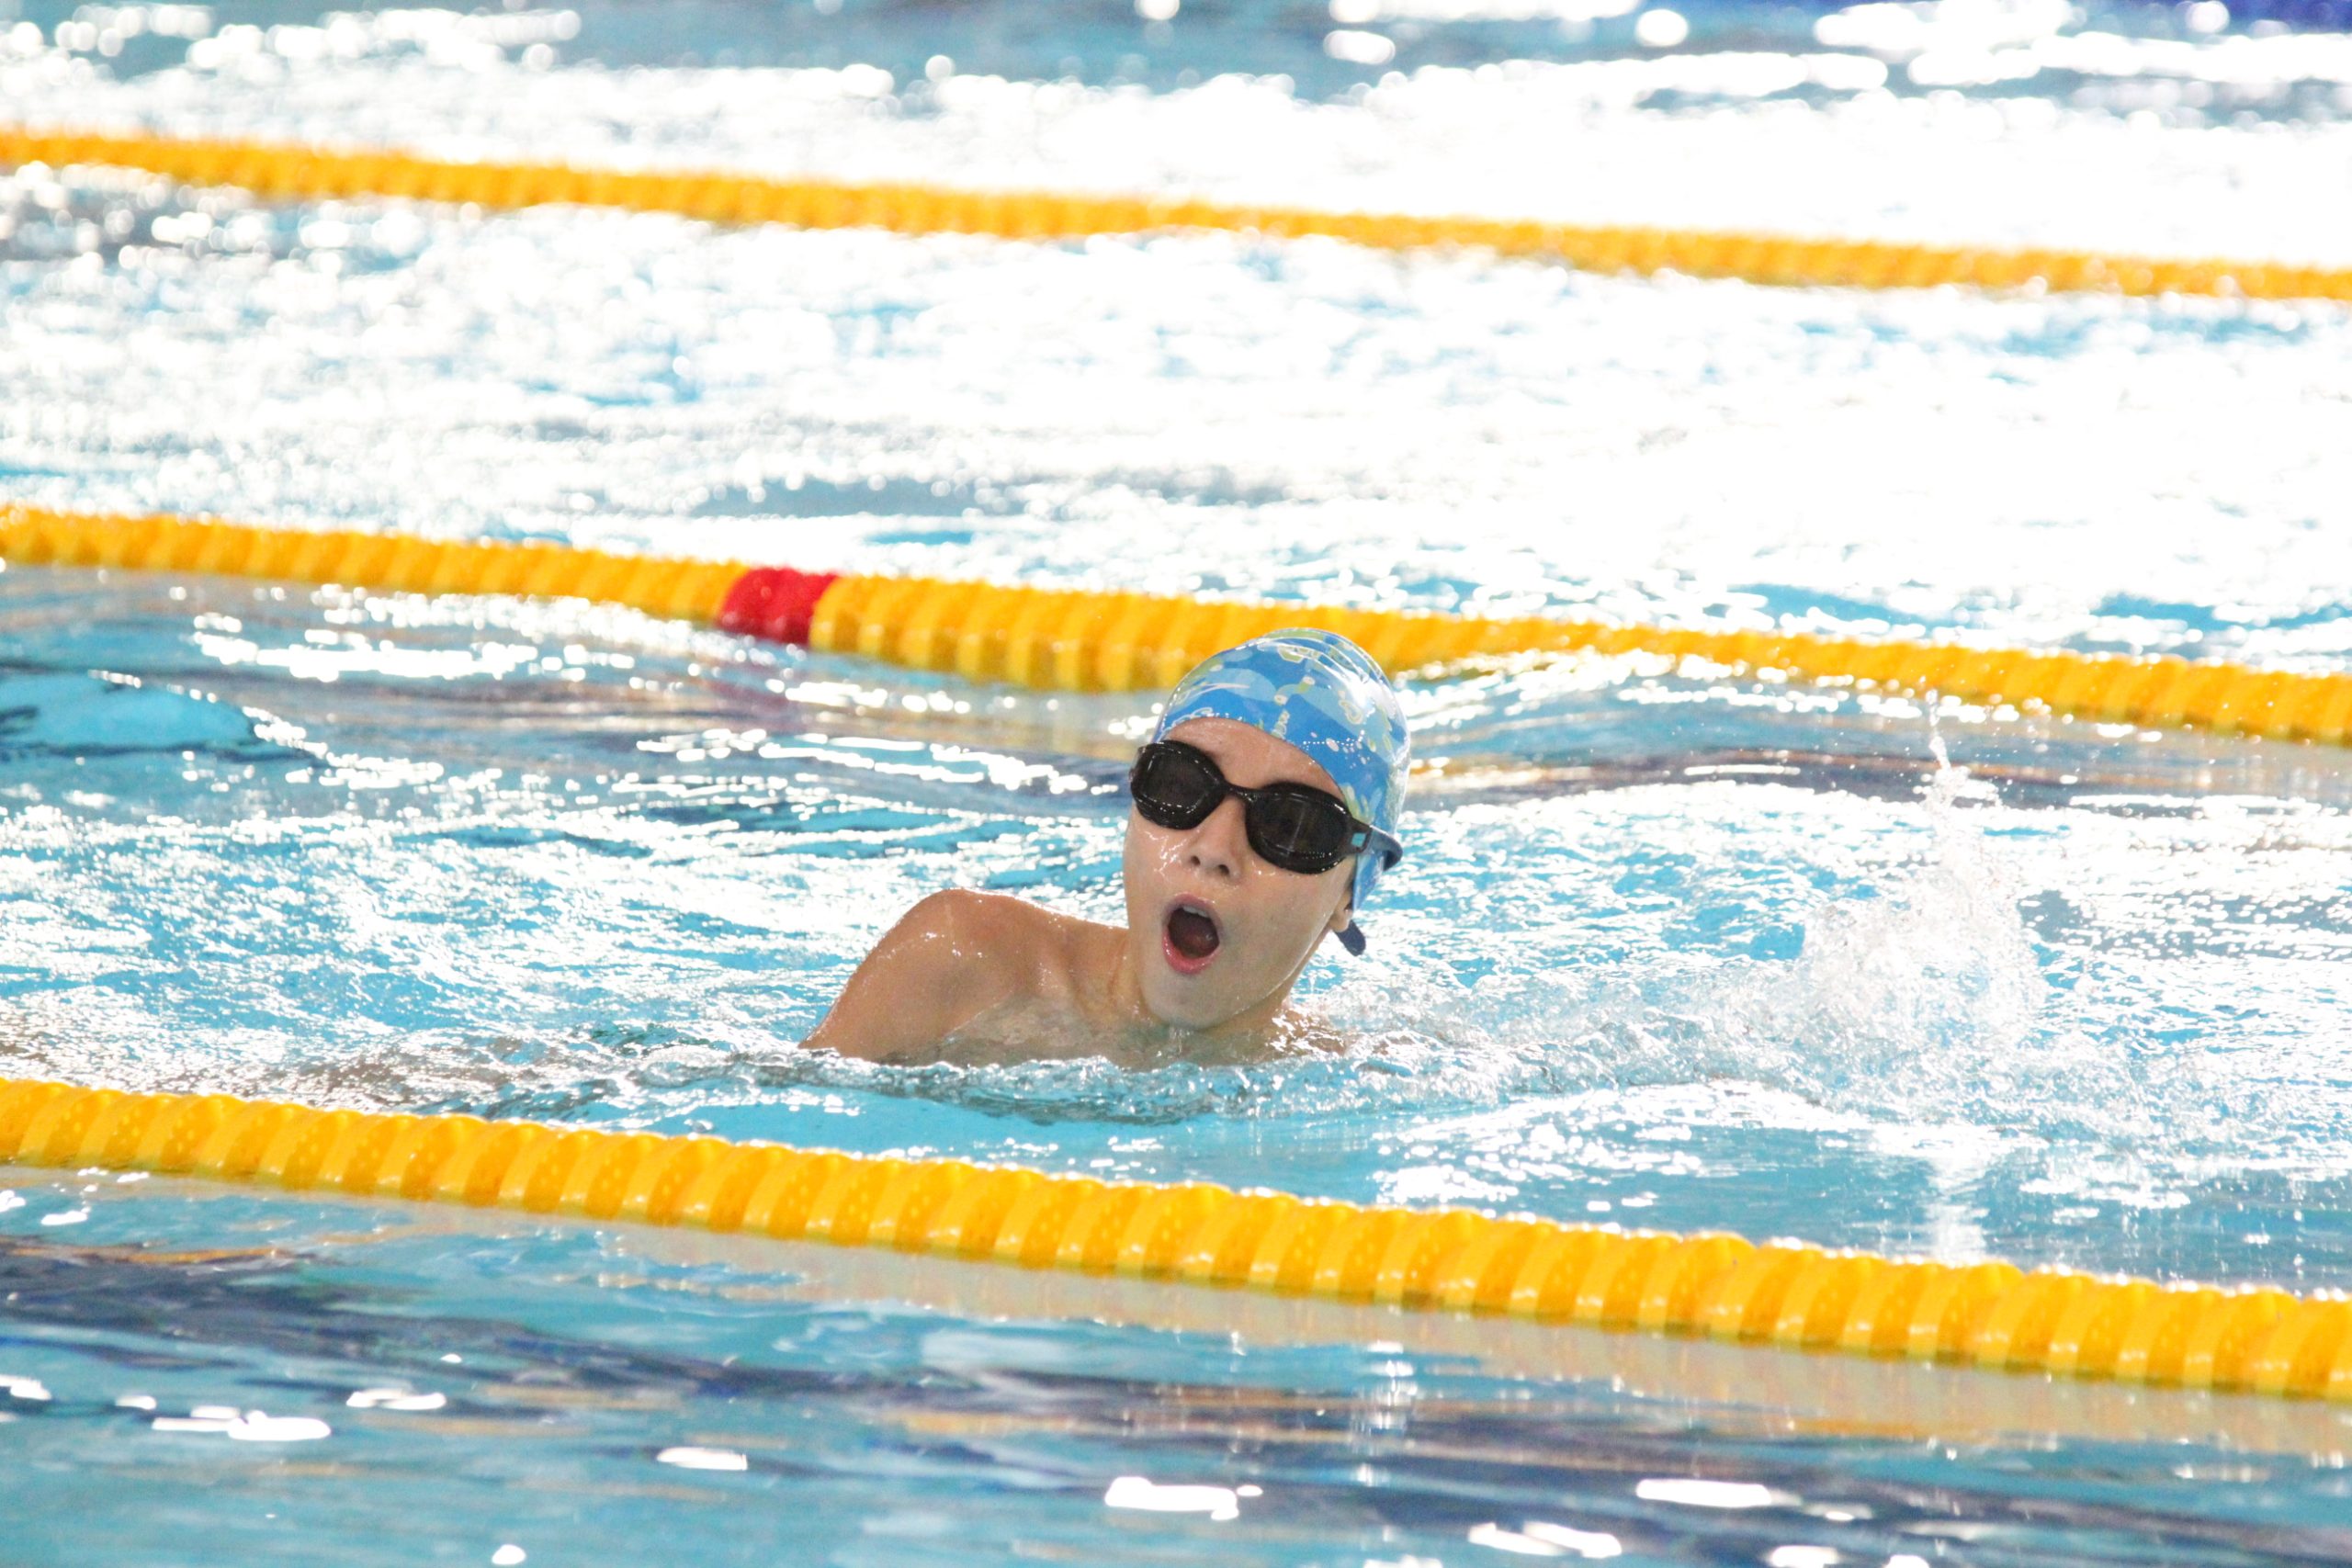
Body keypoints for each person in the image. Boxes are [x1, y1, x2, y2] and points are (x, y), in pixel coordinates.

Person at [806, 628, 1409, 1066]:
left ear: (1347, 895)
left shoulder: (1353, 1086)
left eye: (1292, 825)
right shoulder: (964, 960)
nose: (1213, 848)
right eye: (1182, 785)